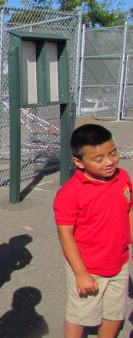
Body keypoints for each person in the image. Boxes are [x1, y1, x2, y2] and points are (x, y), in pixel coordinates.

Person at [53, 124, 132, 338]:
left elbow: (128, 209)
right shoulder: (71, 193)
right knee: (81, 313)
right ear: (79, 162)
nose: (109, 162)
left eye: (113, 153)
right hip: (88, 266)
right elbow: (65, 234)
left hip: (119, 262)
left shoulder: (122, 178)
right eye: (98, 159)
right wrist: (81, 273)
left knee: (115, 312)